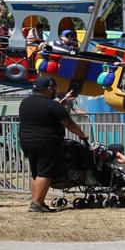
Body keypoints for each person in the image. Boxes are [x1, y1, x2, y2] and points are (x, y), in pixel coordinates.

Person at [19, 76, 89, 213]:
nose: (55, 91)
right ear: (49, 88)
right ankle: (37, 205)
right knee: (45, 173)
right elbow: (68, 123)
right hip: (46, 142)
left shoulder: (25, 102)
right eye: (54, 88)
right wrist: (82, 135)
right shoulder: (52, 105)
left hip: (26, 141)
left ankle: (36, 202)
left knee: (35, 173)